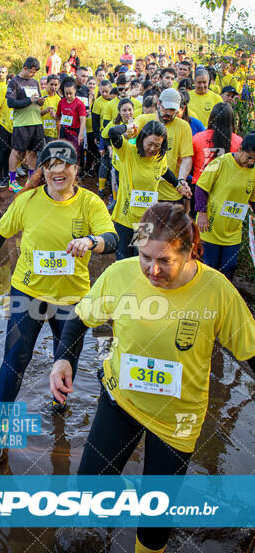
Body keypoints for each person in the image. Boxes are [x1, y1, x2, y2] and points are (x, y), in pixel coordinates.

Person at [50, 201, 255, 553]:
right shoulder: (121, 275)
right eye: (145, 257)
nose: (152, 270)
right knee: (89, 492)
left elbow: (251, 352)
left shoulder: (217, 291)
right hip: (121, 400)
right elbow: (81, 318)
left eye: (164, 261)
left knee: (156, 521)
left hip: (177, 419)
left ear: (190, 251)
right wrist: (63, 360)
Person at [0, 140, 118, 464]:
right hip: (28, 293)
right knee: (14, 359)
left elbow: (112, 240)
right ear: (44, 170)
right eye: (51, 164)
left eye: (66, 164)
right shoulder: (28, 201)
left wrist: (91, 241)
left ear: (76, 170)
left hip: (71, 298)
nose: (58, 170)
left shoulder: (90, 204)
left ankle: (59, 404)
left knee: (65, 357)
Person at [102, 120, 190, 259]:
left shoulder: (159, 158)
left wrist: (178, 185)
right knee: (123, 261)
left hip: (145, 222)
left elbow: (165, 171)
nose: (152, 148)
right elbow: (112, 132)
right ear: (142, 139)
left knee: (140, 260)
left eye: (157, 145)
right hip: (125, 218)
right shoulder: (128, 152)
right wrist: (128, 127)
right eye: (149, 144)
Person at [196, 132, 255, 280]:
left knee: (229, 267)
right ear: (240, 149)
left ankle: (223, 299)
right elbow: (201, 187)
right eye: (249, 157)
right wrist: (202, 212)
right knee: (210, 267)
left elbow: (252, 199)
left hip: (233, 231)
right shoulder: (220, 162)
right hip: (211, 227)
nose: (251, 162)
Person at [131, 89, 193, 208]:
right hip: (144, 189)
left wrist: (180, 181)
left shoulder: (183, 126)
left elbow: (187, 158)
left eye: (172, 110)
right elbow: (131, 138)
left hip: (171, 192)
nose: (168, 113)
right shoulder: (144, 120)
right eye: (165, 108)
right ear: (158, 104)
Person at [6, 56, 45, 192]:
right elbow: (11, 103)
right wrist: (29, 100)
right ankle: (12, 181)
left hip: (36, 121)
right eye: (32, 72)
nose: (33, 75)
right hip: (21, 123)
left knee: (33, 152)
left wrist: (40, 101)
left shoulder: (35, 82)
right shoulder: (14, 82)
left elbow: (36, 100)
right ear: (25, 68)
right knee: (17, 151)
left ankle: (31, 179)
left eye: (35, 73)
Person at [192, 102, 242, 186]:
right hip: (227, 188)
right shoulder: (239, 141)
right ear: (231, 120)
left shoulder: (197, 138)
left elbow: (189, 163)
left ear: (211, 117)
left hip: (200, 186)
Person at [56, 79, 86, 160]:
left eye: (71, 93)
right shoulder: (61, 102)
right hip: (64, 131)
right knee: (63, 153)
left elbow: (83, 119)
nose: (68, 96)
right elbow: (58, 116)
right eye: (66, 93)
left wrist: (81, 134)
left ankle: (75, 171)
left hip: (75, 132)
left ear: (75, 91)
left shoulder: (79, 104)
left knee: (74, 154)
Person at [0, 74, 14, 188]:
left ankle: (7, 176)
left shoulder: (18, 91)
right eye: (10, 81)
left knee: (10, 152)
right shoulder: (3, 89)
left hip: (14, 127)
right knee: (3, 151)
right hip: (4, 126)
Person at [41, 74, 61, 143]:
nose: (53, 87)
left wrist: (56, 116)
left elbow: (59, 119)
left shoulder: (58, 99)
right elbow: (34, 114)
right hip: (40, 132)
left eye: (56, 85)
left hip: (52, 133)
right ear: (47, 84)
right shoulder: (41, 95)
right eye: (51, 84)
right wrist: (46, 110)